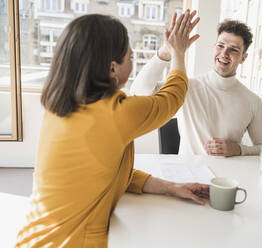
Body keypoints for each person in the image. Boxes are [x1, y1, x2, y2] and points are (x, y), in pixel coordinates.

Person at [15, 11, 209, 248]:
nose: (132, 61)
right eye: (131, 56)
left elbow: (106, 173)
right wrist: (179, 53)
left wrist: (170, 187)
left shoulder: (60, 109)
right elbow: (172, 97)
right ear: (112, 68)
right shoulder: (117, 114)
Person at [131, 17, 262, 157]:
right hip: (187, 175)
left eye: (233, 49)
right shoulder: (186, 87)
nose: (224, 53)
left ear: (243, 58)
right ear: (214, 47)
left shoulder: (252, 101)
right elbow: (139, 93)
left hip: (227, 177)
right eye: (220, 46)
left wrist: (238, 149)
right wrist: (166, 52)